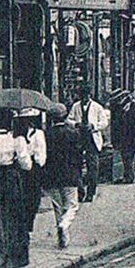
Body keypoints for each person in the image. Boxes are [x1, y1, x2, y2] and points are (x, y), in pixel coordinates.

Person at [40, 103, 83, 249]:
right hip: (69, 174)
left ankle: (63, 239)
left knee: (58, 206)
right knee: (72, 205)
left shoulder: (45, 134)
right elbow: (78, 156)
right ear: (64, 116)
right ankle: (64, 225)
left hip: (51, 176)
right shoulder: (73, 133)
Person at [0, 109, 33, 268]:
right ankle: (15, 259)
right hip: (10, 178)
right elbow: (26, 164)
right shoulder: (16, 139)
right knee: (14, 216)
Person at [67, 82, 109, 203]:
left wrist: (93, 126)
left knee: (93, 166)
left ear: (90, 95)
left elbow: (104, 122)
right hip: (79, 138)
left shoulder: (97, 107)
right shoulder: (75, 106)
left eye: (86, 96)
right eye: (82, 96)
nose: (84, 98)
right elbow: (68, 119)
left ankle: (91, 192)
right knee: (77, 165)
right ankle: (80, 191)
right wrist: (76, 124)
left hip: (92, 139)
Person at [15, 109, 47, 234]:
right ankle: (29, 224)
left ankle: (23, 223)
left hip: (20, 168)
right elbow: (41, 154)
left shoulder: (16, 134)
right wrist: (38, 163)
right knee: (33, 197)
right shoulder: (38, 133)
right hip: (34, 168)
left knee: (22, 196)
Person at [109, 88, 135, 184]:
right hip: (124, 136)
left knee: (128, 157)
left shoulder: (131, 108)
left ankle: (128, 176)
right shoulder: (118, 109)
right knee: (125, 157)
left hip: (129, 136)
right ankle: (126, 175)